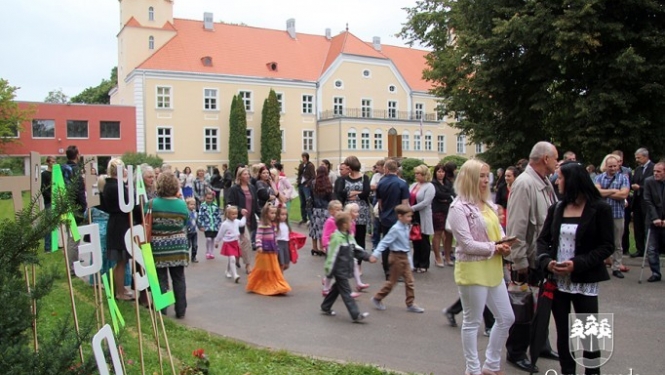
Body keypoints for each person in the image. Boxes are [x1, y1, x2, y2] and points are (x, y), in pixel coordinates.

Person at [536, 161, 614, 374]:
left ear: (572, 180)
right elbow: (543, 241)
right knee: (563, 333)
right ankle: (567, 371)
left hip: (584, 279)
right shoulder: (557, 208)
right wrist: (547, 261)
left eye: (560, 177)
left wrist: (576, 264)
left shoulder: (599, 209)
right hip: (558, 281)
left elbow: (607, 246)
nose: (557, 181)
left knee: (589, 333)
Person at [447, 159, 516, 375]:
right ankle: (473, 369)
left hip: (493, 268)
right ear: (470, 179)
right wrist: (495, 248)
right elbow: (466, 244)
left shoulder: (488, 203)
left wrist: (505, 244)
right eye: (482, 176)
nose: (486, 180)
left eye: (488, 176)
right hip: (473, 269)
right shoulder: (458, 207)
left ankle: (491, 365)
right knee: (472, 321)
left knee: (506, 318)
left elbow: (498, 231)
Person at [505, 141, 559, 373]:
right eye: (555, 158)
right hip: (528, 259)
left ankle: (541, 343)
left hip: (542, 257)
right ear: (545, 159)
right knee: (523, 307)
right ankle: (516, 352)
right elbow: (516, 226)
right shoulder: (525, 184)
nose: (557, 163)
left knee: (542, 304)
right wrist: (519, 261)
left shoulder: (544, 182)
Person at [369, 204, 425, 314]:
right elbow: (384, 242)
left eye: (410, 216)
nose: (410, 219)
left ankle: (410, 303)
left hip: (404, 256)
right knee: (392, 282)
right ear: (400, 216)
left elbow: (406, 245)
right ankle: (377, 298)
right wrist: (375, 254)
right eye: (408, 217)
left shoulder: (406, 227)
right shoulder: (395, 229)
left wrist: (410, 261)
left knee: (410, 281)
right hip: (396, 257)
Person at [321, 212, 375, 322]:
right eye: (350, 221)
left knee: (336, 289)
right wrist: (329, 271)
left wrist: (368, 257)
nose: (352, 223)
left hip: (345, 268)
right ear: (344, 224)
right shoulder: (337, 238)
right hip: (338, 270)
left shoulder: (348, 236)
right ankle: (355, 315)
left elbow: (356, 249)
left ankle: (325, 306)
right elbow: (332, 255)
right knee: (346, 292)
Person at [150, 172, 190, 319]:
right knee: (179, 278)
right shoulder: (181, 204)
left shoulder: (152, 204)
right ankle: (181, 310)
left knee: (161, 279)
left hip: (159, 246)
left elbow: (146, 223)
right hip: (178, 245)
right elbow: (185, 221)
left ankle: (163, 310)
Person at [101, 158, 140, 301]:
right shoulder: (115, 186)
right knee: (121, 261)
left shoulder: (109, 185)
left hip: (117, 222)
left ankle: (121, 288)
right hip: (120, 224)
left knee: (121, 261)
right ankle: (119, 291)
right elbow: (128, 203)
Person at [594, 154, 630, 278]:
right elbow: (596, 192)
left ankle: (616, 266)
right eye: (610, 166)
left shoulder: (623, 178)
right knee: (600, 240)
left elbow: (624, 195)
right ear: (606, 166)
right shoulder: (599, 178)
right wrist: (614, 191)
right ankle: (602, 264)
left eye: (615, 166)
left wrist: (606, 193)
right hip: (602, 215)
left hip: (618, 214)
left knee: (618, 242)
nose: (613, 168)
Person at [246, 203, 291, 295]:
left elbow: (274, 237)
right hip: (264, 250)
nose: (274, 215)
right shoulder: (263, 224)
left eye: (275, 213)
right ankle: (259, 283)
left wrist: (276, 247)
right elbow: (258, 236)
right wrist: (259, 246)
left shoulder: (273, 224)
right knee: (264, 268)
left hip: (272, 250)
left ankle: (277, 284)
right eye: (272, 213)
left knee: (274, 268)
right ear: (266, 214)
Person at [376, 159, 409, 279]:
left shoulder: (381, 182)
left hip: (385, 217)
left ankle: (387, 270)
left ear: (387, 169)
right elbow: (405, 203)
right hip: (398, 218)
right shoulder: (402, 184)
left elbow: (380, 203)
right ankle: (397, 271)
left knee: (386, 243)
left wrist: (382, 213)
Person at [227, 167, 260, 274]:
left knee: (243, 242)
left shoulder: (252, 188)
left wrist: (262, 216)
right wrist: (240, 210)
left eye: (248, 174)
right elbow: (230, 203)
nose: (247, 176)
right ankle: (248, 265)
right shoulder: (234, 189)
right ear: (240, 176)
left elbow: (255, 205)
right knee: (246, 242)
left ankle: (237, 256)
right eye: (245, 174)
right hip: (239, 220)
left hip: (250, 219)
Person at [409, 164, 435, 273]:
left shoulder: (430, 186)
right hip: (414, 215)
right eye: (415, 173)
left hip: (423, 215)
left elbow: (425, 202)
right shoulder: (413, 185)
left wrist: (411, 208)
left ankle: (424, 264)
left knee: (424, 240)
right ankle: (416, 263)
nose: (416, 175)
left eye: (418, 173)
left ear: (424, 174)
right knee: (415, 240)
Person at [643, 161, 665, 282]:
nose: (655, 173)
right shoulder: (649, 181)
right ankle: (655, 273)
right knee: (651, 248)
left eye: (659, 171)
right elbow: (648, 201)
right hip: (652, 219)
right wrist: (655, 217)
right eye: (654, 171)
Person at [630, 148, 654, 258]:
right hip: (637, 202)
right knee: (638, 226)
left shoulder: (654, 168)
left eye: (638, 158)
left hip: (648, 202)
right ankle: (640, 249)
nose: (637, 160)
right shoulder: (638, 169)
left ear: (645, 156)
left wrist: (640, 187)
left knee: (647, 226)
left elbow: (654, 185)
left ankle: (650, 250)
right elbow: (634, 181)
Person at [215, 205, 247, 283]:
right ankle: (235, 275)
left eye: (236, 214)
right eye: (233, 214)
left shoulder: (236, 221)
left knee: (231, 259)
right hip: (228, 244)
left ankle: (227, 271)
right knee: (232, 258)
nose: (235, 216)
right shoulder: (224, 224)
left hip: (235, 242)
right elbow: (220, 234)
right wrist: (217, 241)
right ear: (228, 214)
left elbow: (242, 223)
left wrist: (244, 216)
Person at [431, 163, 454, 267]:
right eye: (439, 171)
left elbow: (452, 194)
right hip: (438, 210)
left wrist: (446, 197)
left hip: (448, 210)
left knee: (449, 234)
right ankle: (437, 257)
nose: (441, 174)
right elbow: (438, 195)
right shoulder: (433, 184)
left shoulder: (448, 183)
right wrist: (446, 196)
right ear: (435, 173)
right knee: (438, 233)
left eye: (443, 172)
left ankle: (448, 256)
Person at [309, 165, 335, 256]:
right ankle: (322, 247)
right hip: (325, 210)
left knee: (314, 229)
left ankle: (314, 247)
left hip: (315, 209)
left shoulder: (313, 183)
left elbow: (311, 196)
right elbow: (330, 198)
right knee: (323, 229)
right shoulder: (328, 184)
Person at [197, 191, 221, 260]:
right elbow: (200, 216)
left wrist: (219, 224)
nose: (209, 200)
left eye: (210, 199)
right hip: (207, 225)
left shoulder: (215, 205)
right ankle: (207, 251)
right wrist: (200, 225)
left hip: (214, 225)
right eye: (207, 198)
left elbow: (218, 215)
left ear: (213, 198)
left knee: (213, 239)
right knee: (208, 239)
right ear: (205, 198)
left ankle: (212, 252)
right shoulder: (203, 206)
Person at [370, 159, 385, 250]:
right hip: (376, 198)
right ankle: (375, 244)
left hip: (384, 198)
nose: (377, 169)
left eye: (378, 167)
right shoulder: (376, 175)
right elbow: (372, 186)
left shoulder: (386, 176)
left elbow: (377, 187)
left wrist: (378, 186)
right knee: (376, 223)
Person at [296, 152, 316, 224]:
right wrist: (298, 181)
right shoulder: (301, 165)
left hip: (306, 185)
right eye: (302, 157)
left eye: (304, 157)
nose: (303, 158)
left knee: (308, 202)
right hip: (301, 185)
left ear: (307, 157)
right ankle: (303, 217)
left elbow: (313, 176)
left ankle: (310, 218)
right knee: (302, 202)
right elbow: (299, 174)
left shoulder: (310, 165)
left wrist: (308, 184)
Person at [41, 156, 55, 252]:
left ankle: (56, 244)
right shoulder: (44, 174)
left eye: (54, 161)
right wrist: (51, 197)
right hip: (49, 202)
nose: (53, 163)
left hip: (57, 201)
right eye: (52, 161)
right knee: (49, 224)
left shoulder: (56, 174)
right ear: (48, 162)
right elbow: (43, 189)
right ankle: (47, 247)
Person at [274, 206, 292, 271]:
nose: (284, 216)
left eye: (285, 215)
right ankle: (280, 277)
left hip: (286, 244)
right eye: (282, 214)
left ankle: (279, 275)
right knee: (281, 263)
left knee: (286, 264)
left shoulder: (286, 224)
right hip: (279, 244)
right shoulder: (276, 225)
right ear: (278, 216)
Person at [185, 198, 199, 263]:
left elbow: (197, 221)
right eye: (191, 204)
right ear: (187, 205)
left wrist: (200, 226)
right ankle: (186, 257)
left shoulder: (195, 213)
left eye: (194, 204)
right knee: (187, 245)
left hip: (194, 232)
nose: (193, 206)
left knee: (195, 245)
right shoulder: (186, 213)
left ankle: (193, 257)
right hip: (187, 232)